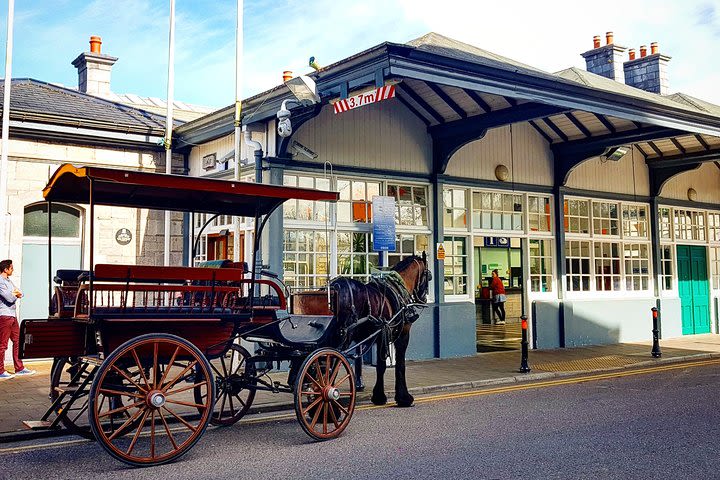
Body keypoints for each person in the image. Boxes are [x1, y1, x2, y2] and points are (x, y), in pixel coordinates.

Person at [0, 259, 35, 379]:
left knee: (18, 340)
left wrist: (16, 294)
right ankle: (0, 371)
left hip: (13, 315)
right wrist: (16, 294)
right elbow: (10, 298)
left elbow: (20, 292)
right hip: (4, 316)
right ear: (6, 269)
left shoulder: (8, 281)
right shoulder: (0, 281)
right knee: (2, 344)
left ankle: (19, 368)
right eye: (11, 268)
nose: (13, 270)